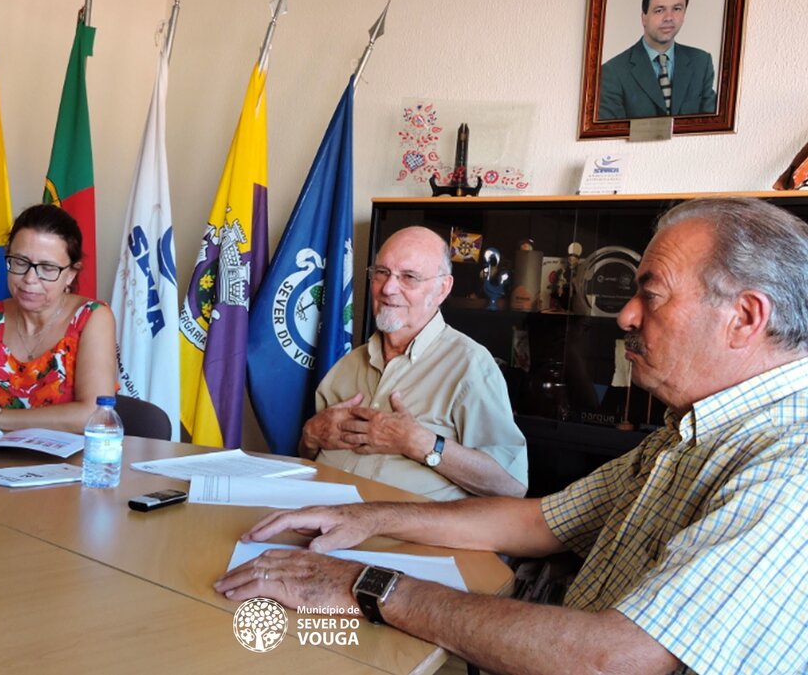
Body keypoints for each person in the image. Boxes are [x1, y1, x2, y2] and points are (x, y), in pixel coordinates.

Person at [217, 198, 808, 674]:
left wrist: (366, 583)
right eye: (382, 274)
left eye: (649, 295)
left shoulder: (789, 464)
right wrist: (373, 520)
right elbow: (535, 521)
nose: (625, 316)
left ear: (746, 318)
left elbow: (615, 659)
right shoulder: (684, 433)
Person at [300, 226, 527, 500]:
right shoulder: (348, 364)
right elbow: (308, 455)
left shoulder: (470, 365)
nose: (388, 288)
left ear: (442, 289)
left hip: (398, 539)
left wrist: (419, 443)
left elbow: (511, 485)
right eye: (382, 273)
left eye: (409, 277)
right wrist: (310, 436)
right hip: (314, 517)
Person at [0, 204, 118, 433]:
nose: (30, 279)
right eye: (20, 262)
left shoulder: (92, 317)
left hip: (69, 465)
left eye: (47, 268)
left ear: (71, 274)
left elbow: (94, 414)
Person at [598, 0, 717, 120]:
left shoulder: (701, 63)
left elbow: (711, 129)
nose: (669, 18)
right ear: (644, 17)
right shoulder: (612, 72)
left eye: (677, 9)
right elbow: (610, 136)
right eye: (659, 10)